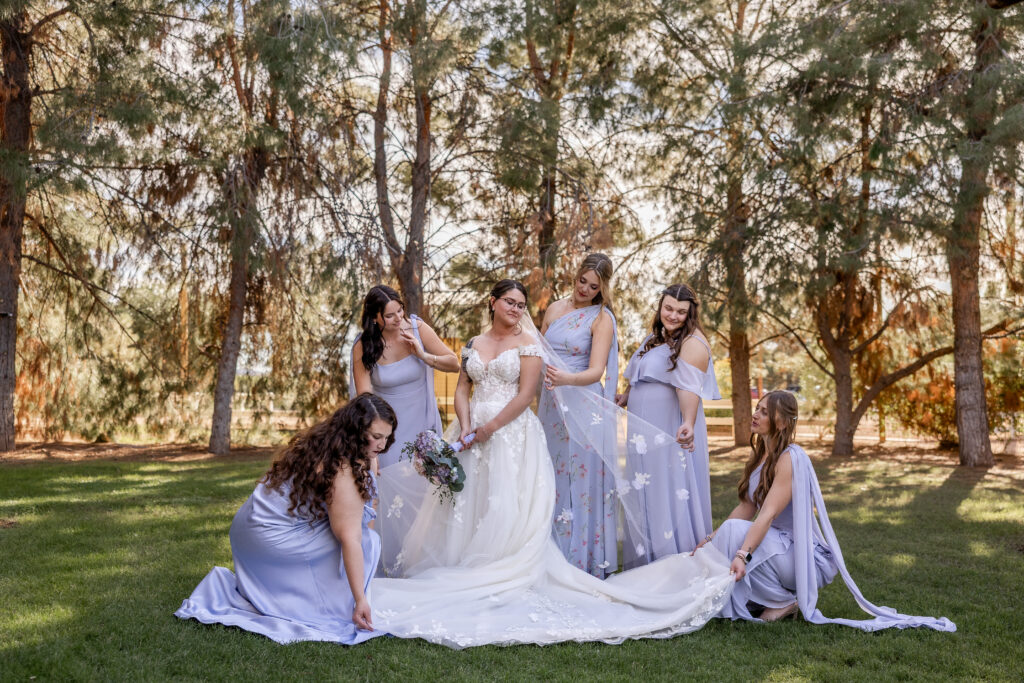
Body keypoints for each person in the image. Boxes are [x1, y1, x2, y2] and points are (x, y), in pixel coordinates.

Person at [370, 280, 734, 649]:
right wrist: (466, 427)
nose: (516, 309)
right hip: (471, 433)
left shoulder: (529, 344)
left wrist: (490, 428)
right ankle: (466, 563)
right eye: (509, 302)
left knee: (505, 503)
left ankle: (503, 567)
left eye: (521, 304)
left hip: (510, 435)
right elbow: (463, 387)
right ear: (492, 302)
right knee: (469, 504)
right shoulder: (474, 344)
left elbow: (528, 394)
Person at [695, 391, 955, 632]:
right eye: (757, 409)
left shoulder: (790, 458)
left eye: (764, 412)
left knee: (737, 536)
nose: (755, 415)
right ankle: (758, 599)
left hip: (802, 557)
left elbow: (767, 515)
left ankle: (783, 601)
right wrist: (709, 540)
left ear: (783, 423)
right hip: (778, 547)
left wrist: (742, 554)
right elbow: (746, 507)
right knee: (730, 532)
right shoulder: (761, 456)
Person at [174, 394, 397, 644]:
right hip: (269, 539)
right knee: (367, 540)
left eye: (387, 437)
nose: (382, 445)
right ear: (356, 432)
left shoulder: (326, 443)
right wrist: (360, 600)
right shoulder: (342, 468)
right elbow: (352, 538)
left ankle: (302, 592)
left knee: (355, 531)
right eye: (376, 437)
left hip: (249, 528)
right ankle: (329, 604)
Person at [349, 285, 458, 575]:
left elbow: (454, 362)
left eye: (400, 310)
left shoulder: (418, 329)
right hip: (387, 431)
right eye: (391, 315)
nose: (399, 318)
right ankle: (385, 564)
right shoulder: (364, 346)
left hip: (420, 424)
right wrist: (371, 449)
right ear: (375, 319)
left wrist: (422, 355)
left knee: (422, 493)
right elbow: (365, 401)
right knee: (386, 492)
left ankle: (420, 564)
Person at [617, 283, 719, 563]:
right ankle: (648, 561)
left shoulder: (692, 342)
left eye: (681, 312)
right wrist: (627, 395)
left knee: (667, 488)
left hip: (668, 426)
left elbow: (689, 388)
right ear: (660, 307)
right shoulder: (657, 336)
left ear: (691, 313)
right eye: (668, 308)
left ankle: (676, 563)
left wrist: (688, 421)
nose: (673, 315)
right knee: (647, 489)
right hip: (643, 429)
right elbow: (642, 374)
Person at [538, 253, 620, 577]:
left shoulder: (601, 318)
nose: (584, 289)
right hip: (550, 403)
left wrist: (564, 379)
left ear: (602, 288)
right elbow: (538, 351)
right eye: (581, 281)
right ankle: (551, 555)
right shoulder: (555, 309)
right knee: (552, 475)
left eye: (593, 286)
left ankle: (581, 561)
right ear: (576, 276)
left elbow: (596, 370)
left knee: (580, 479)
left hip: (584, 401)